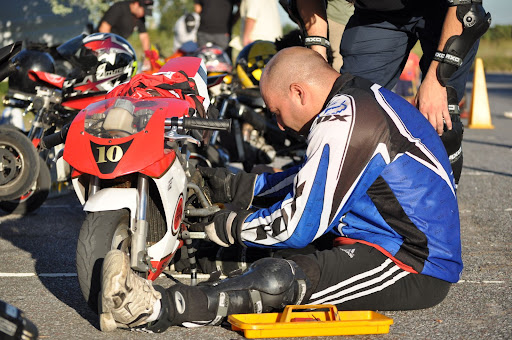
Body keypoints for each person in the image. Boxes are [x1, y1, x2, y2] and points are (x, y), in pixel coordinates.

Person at [98, 47, 462, 332]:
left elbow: (298, 224)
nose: (279, 124)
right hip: (370, 236)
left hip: (412, 262)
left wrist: (230, 226)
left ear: (298, 92)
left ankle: (154, 310)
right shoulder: (355, 100)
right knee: (230, 257)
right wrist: (235, 185)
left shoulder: (346, 119)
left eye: (275, 111)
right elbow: (314, 179)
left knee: (281, 277)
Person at [284, 0, 491, 186]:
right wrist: (317, 54)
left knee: (440, 118)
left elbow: (465, 7)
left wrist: (437, 81)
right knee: (349, 113)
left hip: (443, 9)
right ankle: (339, 200)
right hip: (378, 14)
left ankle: (439, 211)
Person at [97, 0, 156, 70]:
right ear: (136, 4)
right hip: (102, 47)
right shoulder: (119, 7)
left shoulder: (139, 18)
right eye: (144, 11)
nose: (144, 14)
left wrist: (147, 57)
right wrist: (109, 49)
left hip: (117, 50)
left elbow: (144, 36)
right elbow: (104, 28)